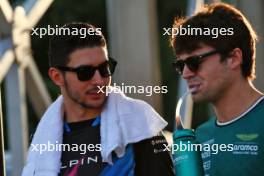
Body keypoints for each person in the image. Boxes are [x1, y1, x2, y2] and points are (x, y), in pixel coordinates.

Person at [22, 23, 174, 176]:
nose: (99, 81)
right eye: (85, 72)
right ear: (57, 77)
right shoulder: (42, 137)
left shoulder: (139, 124)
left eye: (104, 69)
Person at [170, 2, 264, 176]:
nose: (185, 74)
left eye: (194, 62)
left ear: (233, 58)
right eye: (180, 65)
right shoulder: (199, 136)